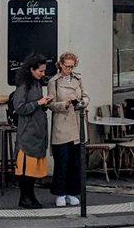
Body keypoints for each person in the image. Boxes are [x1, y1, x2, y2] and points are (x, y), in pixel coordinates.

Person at [10, 56, 53, 209]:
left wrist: (43, 104)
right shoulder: (24, 85)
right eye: (40, 71)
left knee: (32, 169)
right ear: (32, 70)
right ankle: (25, 197)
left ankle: (29, 196)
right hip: (28, 132)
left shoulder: (36, 83)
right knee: (26, 168)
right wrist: (38, 103)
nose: (43, 74)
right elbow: (20, 108)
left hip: (36, 131)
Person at [47, 51, 88, 208]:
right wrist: (63, 104)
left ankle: (72, 192)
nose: (69, 69)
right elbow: (50, 103)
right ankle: (60, 193)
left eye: (72, 67)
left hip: (76, 124)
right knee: (62, 161)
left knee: (75, 162)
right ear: (61, 65)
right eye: (67, 66)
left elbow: (85, 96)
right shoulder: (54, 82)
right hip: (62, 125)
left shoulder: (78, 79)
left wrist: (82, 102)